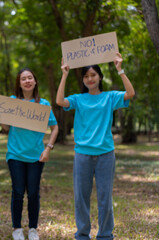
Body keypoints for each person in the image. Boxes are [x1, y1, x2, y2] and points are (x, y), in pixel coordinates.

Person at [56, 52, 135, 240]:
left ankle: (105, 235)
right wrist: (65, 74)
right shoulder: (78, 99)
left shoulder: (110, 97)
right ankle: (82, 235)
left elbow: (130, 93)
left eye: (93, 75)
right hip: (82, 154)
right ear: (83, 79)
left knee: (105, 198)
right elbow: (60, 101)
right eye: (86, 76)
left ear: (100, 77)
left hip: (106, 154)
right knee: (81, 198)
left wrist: (120, 69)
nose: (90, 79)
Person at [0, 68, 58, 240]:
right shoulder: (11, 103)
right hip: (15, 155)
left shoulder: (43, 104)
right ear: (19, 83)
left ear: (35, 81)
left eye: (30, 78)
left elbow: (55, 127)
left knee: (34, 193)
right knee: (18, 192)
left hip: (37, 156)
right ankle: (17, 229)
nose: (27, 81)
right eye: (23, 79)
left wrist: (48, 148)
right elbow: (6, 128)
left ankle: (33, 229)